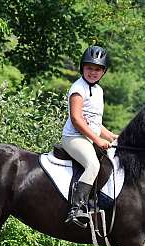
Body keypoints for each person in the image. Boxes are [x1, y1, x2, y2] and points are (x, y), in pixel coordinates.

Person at [62, 45, 118, 227]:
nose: (93, 72)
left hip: (88, 137)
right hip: (74, 138)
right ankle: (76, 209)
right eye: (89, 68)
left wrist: (111, 137)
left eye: (97, 69)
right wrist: (97, 140)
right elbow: (77, 120)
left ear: (103, 72)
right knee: (93, 164)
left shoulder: (99, 91)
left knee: (110, 162)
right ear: (82, 68)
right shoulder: (78, 89)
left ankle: (96, 201)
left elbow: (95, 123)